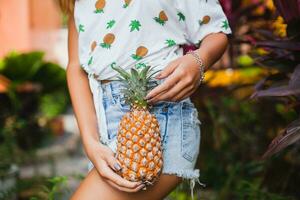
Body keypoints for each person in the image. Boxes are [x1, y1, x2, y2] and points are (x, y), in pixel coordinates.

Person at [61, 0, 231, 199]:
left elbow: (217, 31)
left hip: (159, 123)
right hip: (106, 133)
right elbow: (75, 67)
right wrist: (90, 142)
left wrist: (199, 60)